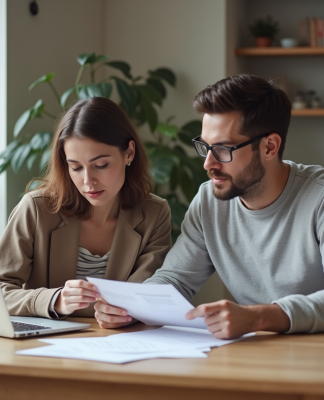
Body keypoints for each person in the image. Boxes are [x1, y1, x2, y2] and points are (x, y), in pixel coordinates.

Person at [99, 73, 324, 338]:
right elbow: (175, 280)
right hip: (258, 354)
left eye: (223, 149)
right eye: (205, 147)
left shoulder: (318, 198)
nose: (208, 164)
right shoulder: (209, 201)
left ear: (269, 147)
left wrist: (258, 317)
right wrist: (131, 308)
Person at [0, 97, 171, 326]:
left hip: (122, 348)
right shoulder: (36, 208)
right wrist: (54, 300)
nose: (88, 181)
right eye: (76, 167)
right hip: (44, 350)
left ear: (129, 153)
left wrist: (127, 314)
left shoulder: (154, 214)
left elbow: (149, 295)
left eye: (101, 165)